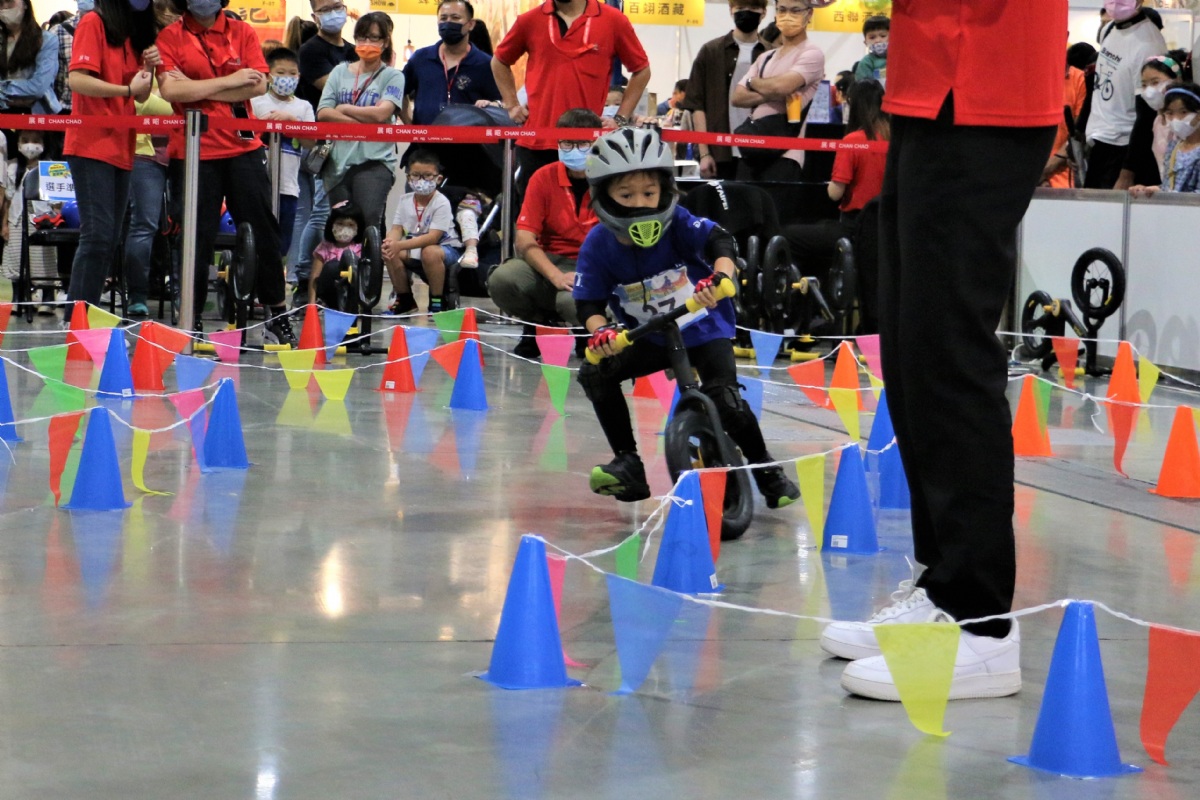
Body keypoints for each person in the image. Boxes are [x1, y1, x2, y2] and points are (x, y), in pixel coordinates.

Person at [814, 0, 1063, 702]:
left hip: (987, 80)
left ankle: (979, 619)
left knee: (949, 349)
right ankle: (942, 581)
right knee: (912, 346)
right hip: (929, 83)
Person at [573, 127, 800, 509]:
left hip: (704, 327)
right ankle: (628, 463)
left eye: (649, 193)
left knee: (725, 400)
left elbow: (719, 240)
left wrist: (722, 275)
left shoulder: (678, 222)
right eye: (626, 195)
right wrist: (602, 333)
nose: (640, 204)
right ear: (603, 196)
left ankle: (766, 470)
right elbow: (588, 304)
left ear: (665, 190)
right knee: (595, 373)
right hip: (650, 336)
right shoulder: (598, 245)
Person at [156, 0, 296, 345]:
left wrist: (197, 87)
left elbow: (258, 85)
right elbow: (171, 91)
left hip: (241, 147)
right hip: (193, 149)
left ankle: (276, 314)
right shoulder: (171, 36)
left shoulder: (241, 31)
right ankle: (190, 318)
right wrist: (230, 80)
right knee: (195, 237)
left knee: (264, 230)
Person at [491, 0, 651, 197]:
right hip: (537, 141)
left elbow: (641, 70)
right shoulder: (529, 20)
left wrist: (620, 118)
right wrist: (512, 105)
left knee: (589, 212)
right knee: (534, 212)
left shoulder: (613, 20)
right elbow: (499, 61)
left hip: (589, 144)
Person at [62, 0, 158, 322]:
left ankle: (85, 316)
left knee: (110, 239)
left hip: (122, 145)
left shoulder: (132, 34)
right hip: (91, 144)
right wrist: (126, 89)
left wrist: (149, 69)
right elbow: (78, 80)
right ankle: (78, 319)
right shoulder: (94, 22)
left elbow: (141, 94)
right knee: (97, 236)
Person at [489, 108, 601, 356]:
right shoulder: (543, 177)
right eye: (567, 143)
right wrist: (555, 276)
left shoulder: (611, 180)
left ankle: (585, 330)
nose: (574, 150)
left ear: (597, 143)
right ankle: (538, 323)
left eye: (583, 143)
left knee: (570, 301)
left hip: (593, 264)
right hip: (549, 260)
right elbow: (524, 238)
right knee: (502, 279)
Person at [782, 78, 887, 303]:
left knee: (790, 236)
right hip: (887, 230)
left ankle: (805, 305)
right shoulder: (894, 140)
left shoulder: (852, 141)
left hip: (855, 229)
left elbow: (834, 193)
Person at [315, 11, 404, 232]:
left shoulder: (393, 76)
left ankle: (369, 256)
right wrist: (364, 125)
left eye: (374, 38)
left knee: (367, 223)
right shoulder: (339, 72)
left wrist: (344, 108)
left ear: (385, 42)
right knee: (340, 228)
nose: (367, 43)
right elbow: (323, 112)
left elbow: (382, 114)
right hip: (336, 163)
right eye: (362, 37)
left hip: (374, 161)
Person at [293, 0, 354, 296]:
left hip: (352, 143)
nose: (334, 13)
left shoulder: (352, 50)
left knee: (345, 212)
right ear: (315, 15)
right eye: (326, 8)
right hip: (321, 145)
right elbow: (339, 91)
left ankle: (340, 273)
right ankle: (303, 277)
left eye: (337, 6)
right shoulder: (311, 51)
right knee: (319, 212)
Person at [730, 0, 825, 181]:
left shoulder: (812, 53)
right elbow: (737, 97)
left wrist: (753, 83)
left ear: (809, 14)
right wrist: (769, 90)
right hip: (753, 149)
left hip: (785, 153)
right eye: (782, 10)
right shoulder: (765, 57)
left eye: (795, 10)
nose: (787, 16)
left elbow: (782, 87)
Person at [1084, 0, 1165, 189]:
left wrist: (1128, 172)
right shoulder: (1109, 29)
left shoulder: (1149, 45)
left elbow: (1147, 114)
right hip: (1099, 141)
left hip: (1123, 148)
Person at [251, 47, 316, 262]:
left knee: (283, 239)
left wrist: (292, 122)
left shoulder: (303, 107)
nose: (286, 78)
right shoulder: (255, 102)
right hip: (259, 182)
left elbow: (310, 142)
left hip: (288, 185)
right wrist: (263, 124)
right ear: (269, 75)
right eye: (280, 73)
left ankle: (276, 274)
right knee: (258, 235)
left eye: (292, 73)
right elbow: (244, 134)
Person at [381, 150, 463, 315]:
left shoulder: (441, 202)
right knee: (390, 252)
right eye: (416, 175)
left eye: (427, 176)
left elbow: (433, 237)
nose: (421, 181)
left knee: (430, 252)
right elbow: (397, 228)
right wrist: (390, 242)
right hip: (416, 247)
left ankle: (437, 300)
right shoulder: (405, 201)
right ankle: (405, 300)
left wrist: (400, 245)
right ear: (409, 177)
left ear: (438, 179)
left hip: (445, 249)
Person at [402, 0, 500, 126]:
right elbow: (398, 93)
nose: (448, 22)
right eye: (443, 18)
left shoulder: (486, 64)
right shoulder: (421, 58)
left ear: (470, 24)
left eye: (455, 18)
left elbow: (502, 103)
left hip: (468, 138)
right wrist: (409, 125)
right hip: (424, 138)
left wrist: (493, 105)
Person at [1115, 54, 1184, 190]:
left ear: (1177, 81)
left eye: (1155, 82)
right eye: (1144, 85)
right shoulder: (1157, 122)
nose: (1149, 90)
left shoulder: (1185, 123)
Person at [1130, 82, 1200, 196]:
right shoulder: (1174, 147)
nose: (1176, 119)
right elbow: (1168, 185)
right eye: (1170, 113)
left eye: (1183, 112)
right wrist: (1150, 189)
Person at [1040, 61, 1088, 188]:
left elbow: (1079, 134)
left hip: (1065, 180)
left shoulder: (1080, 79)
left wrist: (1046, 170)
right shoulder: (1026, 78)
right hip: (1028, 176)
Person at [308, 199, 364, 308]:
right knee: (332, 267)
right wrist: (311, 305)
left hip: (353, 296)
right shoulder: (325, 247)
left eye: (350, 225)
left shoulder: (360, 249)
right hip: (330, 294)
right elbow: (315, 277)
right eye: (340, 224)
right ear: (331, 225)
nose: (344, 229)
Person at [49, 0, 93, 116]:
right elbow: (48, 81)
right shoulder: (59, 32)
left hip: (104, 111)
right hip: (67, 110)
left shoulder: (114, 30)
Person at [853, 14, 888, 85]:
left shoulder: (901, 58)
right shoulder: (866, 63)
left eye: (883, 36)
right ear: (865, 42)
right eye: (872, 37)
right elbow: (863, 88)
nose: (878, 40)